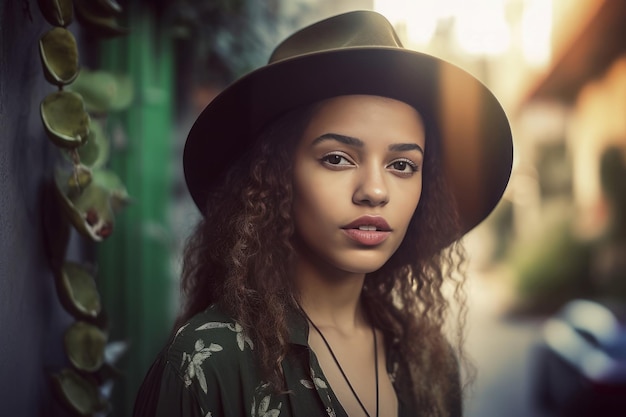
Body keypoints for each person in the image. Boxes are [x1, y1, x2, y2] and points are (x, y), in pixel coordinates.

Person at [133, 10, 512, 417]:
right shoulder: (207, 365)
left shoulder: (429, 359)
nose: (375, 191)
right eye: (337, 158)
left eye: (402, 165)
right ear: (275, 178)